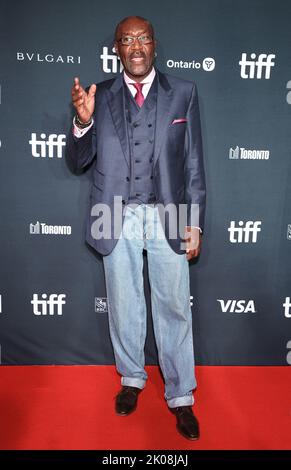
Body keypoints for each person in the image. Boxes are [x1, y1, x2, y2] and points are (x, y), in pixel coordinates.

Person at [68, 15, 206, 441]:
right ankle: (131, 379)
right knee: (125, 306)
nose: (136, 46)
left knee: (174, 309)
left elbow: (194, 161)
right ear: (117, 49)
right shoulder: (99, 95)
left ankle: (181, 397)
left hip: (170, 212)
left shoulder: (183, 92)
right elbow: (77, 162)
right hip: (115, 213)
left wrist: (195, 220)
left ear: (154, 45)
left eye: (143, 38)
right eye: (127, 40)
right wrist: (83, 123)